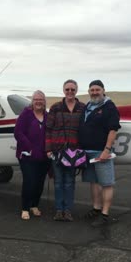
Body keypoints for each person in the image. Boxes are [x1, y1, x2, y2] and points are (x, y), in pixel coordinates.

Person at [78, 80, 121, 225]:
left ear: (103, 90)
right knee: (93, 182)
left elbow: (113, 129)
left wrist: (106, 150)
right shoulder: (88, 106)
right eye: (92, 90)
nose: (94, 92)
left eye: (97, 89)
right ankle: (96, 208)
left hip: (101, 152)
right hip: (87, 152)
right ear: (89, 91)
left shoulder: (109, 107)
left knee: (106, 183)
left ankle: (105, 214)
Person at [46, 79, 85, 222]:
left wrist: (82, 150)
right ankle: (58, 210)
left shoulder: (82, 108)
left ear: (76, 90)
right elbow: (48, 130)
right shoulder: (55, 107)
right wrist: (48, 149)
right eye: (67, 89)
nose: (70, 92)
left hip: (73, 152)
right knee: (58, 182)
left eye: (72, 89)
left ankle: (67, 210)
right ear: (63, 90)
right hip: (57, 151)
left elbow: (85, 130)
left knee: (69, 182)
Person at [14, 90, 50, 220]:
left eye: (41, 99)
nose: (38, 102)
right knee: (30, 181)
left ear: (44, 102)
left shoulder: (47, 116)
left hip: (44, 156)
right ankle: (25, 207)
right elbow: (18, 133)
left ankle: (34, 205)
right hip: (27, 155)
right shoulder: (26, 114)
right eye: (36, 99)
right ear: (32, 101)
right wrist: (30, 148)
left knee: (40, 182)